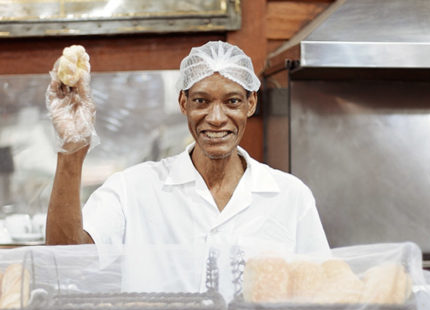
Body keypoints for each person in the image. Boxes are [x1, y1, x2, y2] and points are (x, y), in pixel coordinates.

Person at [45, 41, 329, 261]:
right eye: (201, 101)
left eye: (232, 101)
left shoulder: (291, 196)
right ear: (183, 103)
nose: (216, 117)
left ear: (250, 104)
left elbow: (321, 289)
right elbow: (66, 258)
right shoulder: (133, 190)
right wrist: (72, 148)